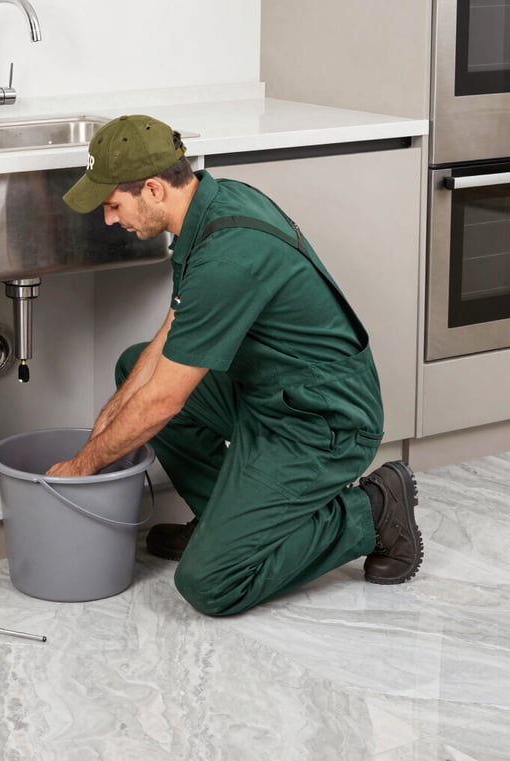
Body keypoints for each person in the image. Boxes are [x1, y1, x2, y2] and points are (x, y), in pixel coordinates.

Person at [47, 114, 423, 616]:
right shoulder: (208, 206)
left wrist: (81, 468)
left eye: (114, 205)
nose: (110, 220)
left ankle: (373, 511)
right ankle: (224, 519)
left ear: (154, 189)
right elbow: (169, 336)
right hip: (267, 391)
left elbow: (164, 400)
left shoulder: (229, 257)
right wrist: (99, 437)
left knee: (211, 583)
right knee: (132, 365)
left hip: (322, 419)